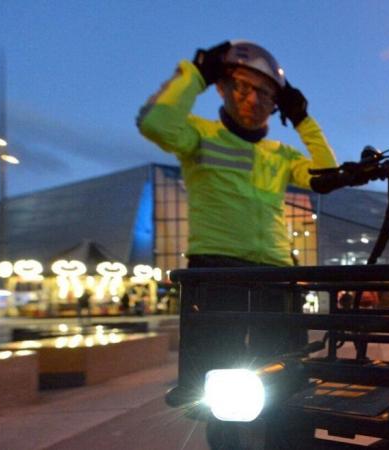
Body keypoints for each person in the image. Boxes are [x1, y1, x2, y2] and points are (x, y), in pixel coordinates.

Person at [137, 40, 337, 367]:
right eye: (242, 86)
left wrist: (303, 120)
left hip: (277, 272)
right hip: (217, 270)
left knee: (287, 375)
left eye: (266, 93)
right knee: (212, 378)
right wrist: (195, 74)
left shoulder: (281, 154)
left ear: (277, 104)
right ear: (222, 86)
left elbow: (328, 176)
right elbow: (154, 123)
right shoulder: (201, 135)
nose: (254, 99)